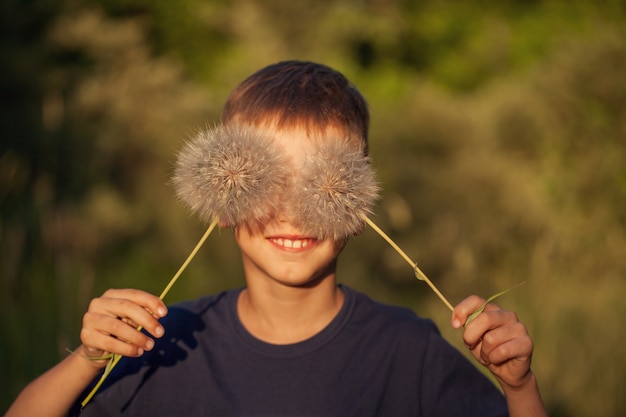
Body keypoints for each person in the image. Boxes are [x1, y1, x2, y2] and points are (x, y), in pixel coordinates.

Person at [6, 61, 547, 417]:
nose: (291, 209)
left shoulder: (411, 354)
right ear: (219, 194)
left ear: (360, 206)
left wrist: (519, 388)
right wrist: (87, 360)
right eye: (262, 178)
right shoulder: (160, 344)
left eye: (326, 182)